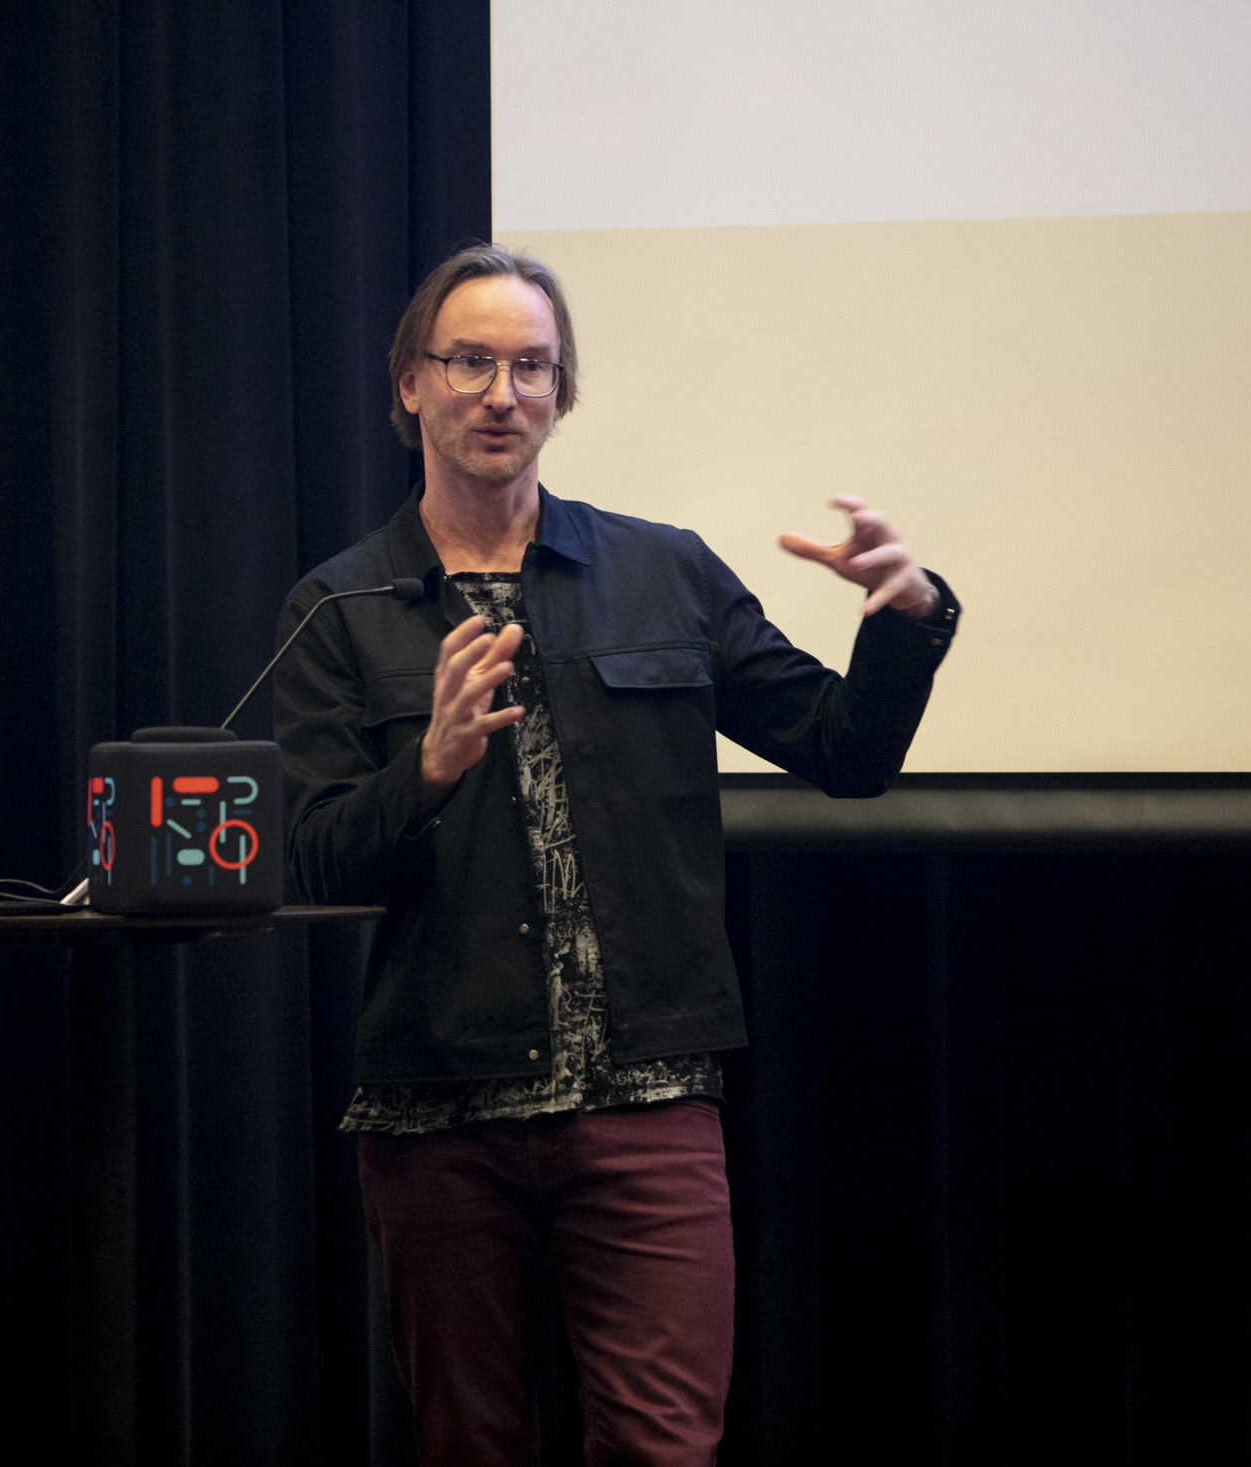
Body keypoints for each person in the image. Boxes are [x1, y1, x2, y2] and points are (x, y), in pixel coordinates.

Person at [273, 244, 958, 1465]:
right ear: (409, 385)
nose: (501, 393)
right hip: (438, 1107)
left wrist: (907, 622)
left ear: (561, 392)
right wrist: (422, 770)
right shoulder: (341, 607)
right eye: (470, 362)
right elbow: (316, 858)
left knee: (662, 1450)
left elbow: (843, 749)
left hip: (647, 1100)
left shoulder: (664, 570)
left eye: (531, 366)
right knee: (468, 1447)